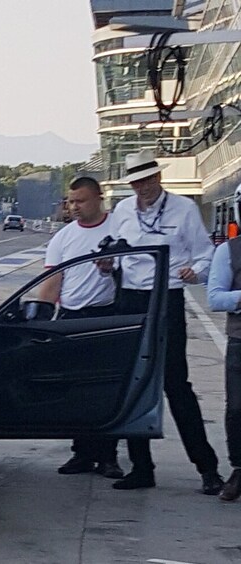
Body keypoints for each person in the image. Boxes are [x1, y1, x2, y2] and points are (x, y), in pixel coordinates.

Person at [109, 149, 223, 494]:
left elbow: (205, 253)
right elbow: (115, 250)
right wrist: (108, 264)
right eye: (136, 182)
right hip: (131, 298)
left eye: (147, 180)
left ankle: (207, 468)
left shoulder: (184, 209)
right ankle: (141, 467)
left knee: (176, 384)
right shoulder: (123, 210)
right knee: (134, 382)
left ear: (158, 178)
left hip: (167, 296)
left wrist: (195, 271)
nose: (142, 187)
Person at [38, 176, 123, 479]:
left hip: (108, 315)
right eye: (71, 201)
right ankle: (82, 453)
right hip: (71, 317)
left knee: (107, 389)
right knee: (76, 389)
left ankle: (108, 456)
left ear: (99, 198)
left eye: (81, 201)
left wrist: (112, 269)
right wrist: (39, 319)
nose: (74, 207)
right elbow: (52, 282)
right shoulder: (63, 238)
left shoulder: (119, 228)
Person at [207, 238, 241, 501]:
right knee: (237, 409)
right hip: (240, 340)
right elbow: (215, 297)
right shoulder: (229, 251)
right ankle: (239, 467)